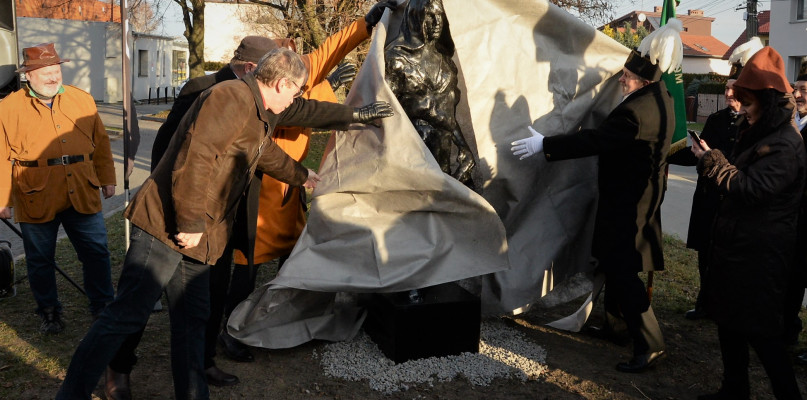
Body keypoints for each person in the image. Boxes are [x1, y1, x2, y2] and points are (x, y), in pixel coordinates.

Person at [55, 48, 393, 400]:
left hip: (199, 235)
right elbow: (196, 158)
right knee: (125, 316)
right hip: (166, 227)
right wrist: (188, 222)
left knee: (192, 320)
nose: (297, 98)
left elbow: (262, 151)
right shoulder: (230, 98)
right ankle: (71, 393)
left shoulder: (256, 108)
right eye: (296, 91)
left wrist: (301, 175)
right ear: (281, 83)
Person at [216, 1, 398, 367]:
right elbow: (302, 111)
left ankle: (283, 318)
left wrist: (364, 24)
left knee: (293, 261)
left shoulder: (284, 75)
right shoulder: (246, 95)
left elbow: (326, 52)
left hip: (288, 194)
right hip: (257, 195)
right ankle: (231, 330)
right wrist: (329, 90)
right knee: (247, 266)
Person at [104, 35, 282, 397]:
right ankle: (118, 367)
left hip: (224, 215)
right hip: (181, 213)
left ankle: (203, 360)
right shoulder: (202, 88)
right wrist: (176, 213)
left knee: (210, 293)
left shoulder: (263, 97)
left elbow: (294, 121)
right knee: (141, 293)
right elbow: (171, 151)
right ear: (252, 67)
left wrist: (355, 114)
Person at [510, 20, 684, 373]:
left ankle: (651, 344)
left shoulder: (636, 111)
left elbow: (594, 141)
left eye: (627, 77)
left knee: (622, 272)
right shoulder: (657, 98)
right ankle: (617, 328)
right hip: (633, 200)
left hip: (629, 206)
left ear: (644, 80)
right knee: (615, 263)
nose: (621, 80)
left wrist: (544, 144)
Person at [691, 47, 805, 400]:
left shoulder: (785, 143)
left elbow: (752, 188)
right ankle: (734, 390)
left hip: (760, 255)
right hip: (737, 249)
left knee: (763, 337)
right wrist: (709, 161)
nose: (743, 110)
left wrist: (714, 162)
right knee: (729, 326)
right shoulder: (757, 132)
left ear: (767, 102)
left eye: (749, 103)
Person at [0, 42, 116, 334]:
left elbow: (100, 142)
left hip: (83, 187)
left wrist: (107, 178)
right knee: (40, 259)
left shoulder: (82, 99)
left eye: (55, 71)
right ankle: (49, 312)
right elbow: (0, 156)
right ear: (28, 76)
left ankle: (102, 306)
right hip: (34, 193)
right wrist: (3, 198)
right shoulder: (7, 108)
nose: (53, 77)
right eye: (45, 73)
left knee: (97, 252)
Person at [667, 78, 743, 320]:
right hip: (708, 199)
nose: (729, 93)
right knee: (705, 254)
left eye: (734, 88)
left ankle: (726, 307)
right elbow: (695, 156)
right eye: (726, 88)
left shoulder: (754, 124)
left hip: (733, 202)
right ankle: (705, 303)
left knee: (730, 260)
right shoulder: (717, 119)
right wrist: (663, 154)